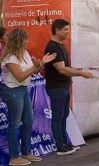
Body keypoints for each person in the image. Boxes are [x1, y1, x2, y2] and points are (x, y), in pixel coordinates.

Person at [1, 29, 56, 165]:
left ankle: (26, 152)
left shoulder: (25, 53)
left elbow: (34, 71)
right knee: (14, 123)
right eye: (25, 39)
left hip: (23, 89)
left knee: (28, 121)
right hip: (12, 90)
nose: (27, 41)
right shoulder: (9, 58)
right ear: (18, 41)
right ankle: (14, 157)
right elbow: (19, 77)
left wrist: (41, 63)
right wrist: (35, 67)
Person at [43, 19, 94, 155]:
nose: (67, 32)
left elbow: (65, 68)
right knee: (58, 116)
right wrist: (82, 73)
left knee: (64, 115)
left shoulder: (60, 45)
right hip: (56, 87)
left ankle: (65, 142)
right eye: (65, 29)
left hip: (63, 86)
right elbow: (62, 69)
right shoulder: (52, 47)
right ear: (57, 30)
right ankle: (60, 146)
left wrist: (71, 79)